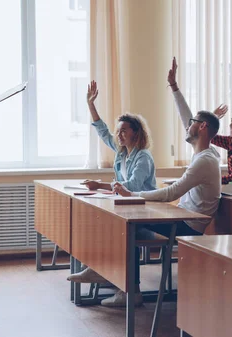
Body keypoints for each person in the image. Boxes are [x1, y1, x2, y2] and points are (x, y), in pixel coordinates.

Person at [112, 57, 221, 307]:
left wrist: (136, 196)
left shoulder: (205, 160)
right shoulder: (203, 151)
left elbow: (171, 193)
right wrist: (173, 87)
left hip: (189, 225)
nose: (187, 126)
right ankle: (116, 280)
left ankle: (131, 291)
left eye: (192, 124)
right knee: (127, 222)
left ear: (202, 128)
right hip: (180, 216)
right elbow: (187, 117)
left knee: (129, 226)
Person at [67, 80, 157, 292]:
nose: (120, 134)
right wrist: (91, 105)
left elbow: (132, 185)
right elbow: (103, 131)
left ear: (136, 132)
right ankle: (103, 271)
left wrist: (100, 186)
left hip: (145, 217)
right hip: (127, 210)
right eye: (119, 131)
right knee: (97, 223)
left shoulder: (143, 157)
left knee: (112, 229)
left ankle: (109, 277)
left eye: (124, 130)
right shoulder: (121, 153)